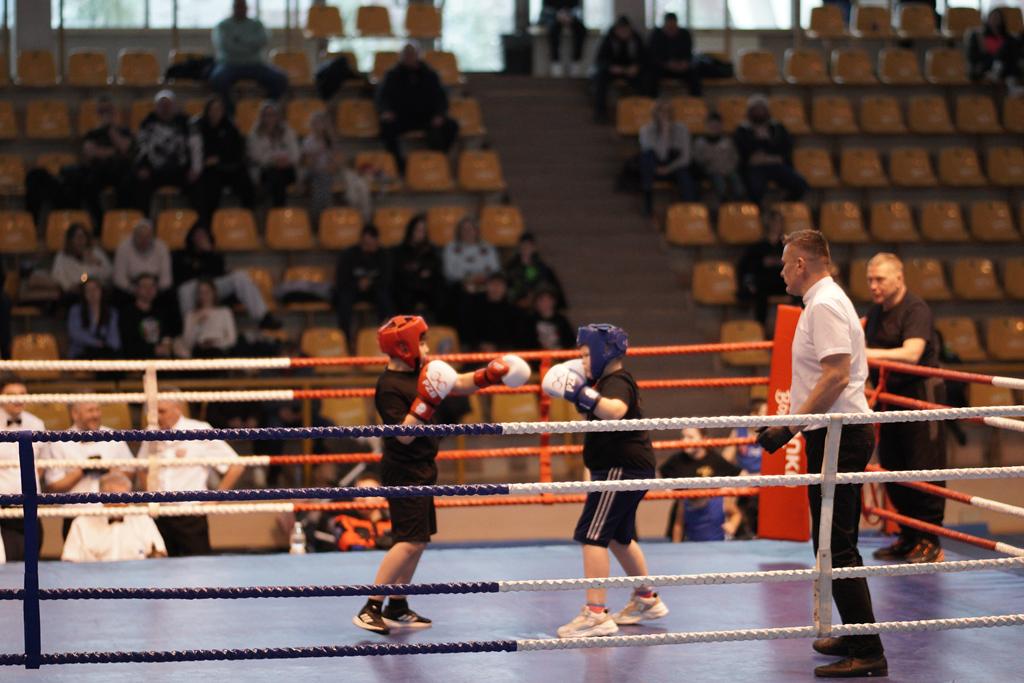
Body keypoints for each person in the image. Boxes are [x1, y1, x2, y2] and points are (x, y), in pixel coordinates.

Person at [756, 230, 886, 678]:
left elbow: (835, 376)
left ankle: (868, 651)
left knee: (836, 545)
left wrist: (789, 426)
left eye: (784, 263)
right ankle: (857, 633)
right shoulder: (823, 301)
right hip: (833, 433)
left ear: (801, 264)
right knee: (832, 542)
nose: (780, 271)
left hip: (838, 434)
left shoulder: (825, 304)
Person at [352, 315, 530, 634]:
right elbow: (403, 435)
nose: (426, 347)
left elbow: (457, 382)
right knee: (407, 541)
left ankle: (397, 605)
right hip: (403, 469)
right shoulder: (388, 386)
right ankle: (371, 607)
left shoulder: (425, 368)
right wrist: (427, 402)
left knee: (418, 541)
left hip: (423, 466)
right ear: (404, 347)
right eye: (421, 341)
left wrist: (491, 374)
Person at [542, 324, 668, 638]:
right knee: (618, 537)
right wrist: (583, 395)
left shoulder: (617, 381)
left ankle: (595, 614)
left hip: (620, 468)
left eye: (586, 354)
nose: (583, 361)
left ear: (603, 352)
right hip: (625, 467)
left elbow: (615, 411)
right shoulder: (605, 383)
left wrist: (580, 392)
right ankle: (646, 599)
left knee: (592, 535)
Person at [864, 253, 946, 564]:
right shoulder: (876, 312)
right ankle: (909, 535)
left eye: (880, 279)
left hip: (920, 398)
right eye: (870, 280)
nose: (874, 286)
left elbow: (912, 353)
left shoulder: (915, 309)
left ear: (899, 278)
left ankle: (929, 539)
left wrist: (865, 354)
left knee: (923, 467)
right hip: (890, 399)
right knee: (894, 467)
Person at [136, 396, 246, 556]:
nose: (157, 416)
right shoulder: (151, 433)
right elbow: (141, 467)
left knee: (198, 568)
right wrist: (151, 498)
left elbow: (236, 465)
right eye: (153, 412)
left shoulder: (198, 430)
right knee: (162, 567)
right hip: (161, 515)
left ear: (177, 409)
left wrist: (214, 500)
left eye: (162, 411)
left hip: (191, 514)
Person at [44, 398, 135, 538]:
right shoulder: (60, 442)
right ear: (75, 414)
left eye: (98, 409)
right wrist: (82, 470)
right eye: (90, 410)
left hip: (110, 513)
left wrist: (108, 470)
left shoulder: (114, 436)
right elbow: (53, 485)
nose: (95, 415)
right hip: (75, 514)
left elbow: (129, 474)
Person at [172, 223, 275, 328]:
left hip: (213, 286)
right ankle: (189, 327)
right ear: (191, 237)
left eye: (203, 235)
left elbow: (219, 273)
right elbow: (180, 278)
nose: (200, 238)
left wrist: (209, 253)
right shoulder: (181, 255)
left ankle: (263, 317)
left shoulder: (215, 255)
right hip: (193, 289)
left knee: (240, 276)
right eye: (197, 235)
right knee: (184, 290)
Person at [375, 44, 459, 171]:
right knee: (386, 126)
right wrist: (385, 111)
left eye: (412, 55)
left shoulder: (430, 75)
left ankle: (437, 158)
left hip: (426, 118)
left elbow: (441, 98)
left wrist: (439, 114)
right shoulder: (392, 75)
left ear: (418, 56)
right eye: (406, 55)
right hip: (401, 117)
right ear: (401, 57)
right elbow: (382, 97)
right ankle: (398, 164)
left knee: (451, 126)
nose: (409, 58)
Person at [61, 471, 167, 562]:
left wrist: (155, 558)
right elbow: (69, 560)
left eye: (124, 499)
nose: (120, 504)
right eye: (115, 500)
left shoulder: (142, 518)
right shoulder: (82, 522)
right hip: (93, 577)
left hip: (136, 576)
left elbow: (160, 553)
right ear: (101, 498)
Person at [660, 427, 742, 542]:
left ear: (703, 438)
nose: (685, 441)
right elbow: (663, 475)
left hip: (712, 509)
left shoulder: (715, 460)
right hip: (686, 508)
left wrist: (728, 492)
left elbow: (735, 475)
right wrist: (673, 490)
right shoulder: (676, 460)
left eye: (690, 437)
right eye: (683, 437)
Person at [0, 376, 49, 561]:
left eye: (22, 393)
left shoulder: (36, 423)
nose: (17, 399)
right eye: (11, 394)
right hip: (3, 508)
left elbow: (43, 463)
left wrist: (27, 483)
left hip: (30, 506)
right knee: (6, 566)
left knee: (33, 563)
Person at [187, 96, 254, 224]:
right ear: (207, 111)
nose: (215, 112)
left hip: (228, 166)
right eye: (213, 109)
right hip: (209, 169)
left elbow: (237, 153)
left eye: (218, 109)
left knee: (245, 183)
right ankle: (208, 223)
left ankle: (248, 219)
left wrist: (219, 159)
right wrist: (207, 161)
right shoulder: (199, 126)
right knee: (209, 187)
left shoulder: (231, 127)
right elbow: (196, 151)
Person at [124, 90, 191, 214]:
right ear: (156, 108)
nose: (165, 109)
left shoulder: (185, 123)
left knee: (199, 183)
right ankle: (143, 219)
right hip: (155, 170)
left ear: (174, 107)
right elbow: (141, 148)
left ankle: (197, 221)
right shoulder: (147, 123)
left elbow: (192, 147)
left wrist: (192, 168)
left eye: (168, 105)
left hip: (180, 169)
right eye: (162, 105)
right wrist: (142, 167)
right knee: (137, 182)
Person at [209, 0, 288, 105]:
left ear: (247, 8)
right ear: (233, 8)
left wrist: (238, 41)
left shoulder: (256, 24)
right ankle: (228, 111)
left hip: (255, 65)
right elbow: (226, 45)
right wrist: (250, 45)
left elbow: (263, 40)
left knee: (280, 79)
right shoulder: (223, 26)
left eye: (243, 7)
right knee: (217, 79)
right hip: (229, 65)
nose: (240, 9)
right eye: (238, 7)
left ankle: (268, 108)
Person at [733, 95, 807, 206]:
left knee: (800, 185)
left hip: (776, 165)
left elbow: (785, 148)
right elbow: (745, 154)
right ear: (750, 111)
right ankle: (759, 211)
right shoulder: (743, 129)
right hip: (754, 168)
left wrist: (768, 141)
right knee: (754, 189)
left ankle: (782, 206)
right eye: (756, 109)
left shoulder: (777, 128)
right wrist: (757, 140)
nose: (759, 112)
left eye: (762, 108)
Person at [73, 95, 134, 227]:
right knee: (86, 185)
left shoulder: (124, 131)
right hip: (98, 171)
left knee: (130, 183)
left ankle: (121, 220)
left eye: (109, 111)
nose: (106, 114)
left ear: (115, 112)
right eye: (102, 111)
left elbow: (125, 148)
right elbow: (90, 153)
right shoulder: (92, 133)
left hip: (120, 171)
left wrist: (111, 130)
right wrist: (113, 152)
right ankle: (100, 223)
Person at [334, 226, 394, 339]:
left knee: (385, 298)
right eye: (366, 244)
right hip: (353, 289)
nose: (368, 247)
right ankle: (345, 339)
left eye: (371, 244)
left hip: (374, 290)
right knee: (344, 299)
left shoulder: (383, 255)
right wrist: (358, 284)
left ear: (377, 241)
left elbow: (386, 279)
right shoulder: (349, 254)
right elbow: (341, 280)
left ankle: (389, 336)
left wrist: (370, 283)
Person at [638, 98, 696, 215]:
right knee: (646, 158)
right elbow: (661, 156)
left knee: (685, 174)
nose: (665, 115)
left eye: (668, 111)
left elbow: (686, 157)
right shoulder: (646, 130)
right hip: (655, 165)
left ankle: (690, 209)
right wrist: (665, 134)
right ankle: (647, 202)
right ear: (655, 113)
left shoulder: (682, 129)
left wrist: (669, 168)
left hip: (674, 165)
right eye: (662, 111)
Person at [737, 208, 789, 328]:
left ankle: (796, 326)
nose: (776, 225)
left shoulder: (787, 246)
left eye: (779, 222)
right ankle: (760, 328)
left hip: (782, 282)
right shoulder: (758, 246)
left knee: (799, 290)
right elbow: (745, 265)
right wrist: (762, 262)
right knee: (760, 291)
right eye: (774, 222)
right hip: (765, 283)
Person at [722, 398, 766, 539]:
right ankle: (732, 530)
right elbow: (725, 460)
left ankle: (760, 532)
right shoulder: (739, 432)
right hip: (743, 479)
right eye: (765, 413)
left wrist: (760, 475)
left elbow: (779, 463)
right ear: (754, 415)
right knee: (724, 489)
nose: (769, 416)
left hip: (765, 478)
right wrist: (739, 473)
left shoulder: (771, 433)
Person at [593, 16, 651, 122]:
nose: (624, 33)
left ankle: (643, 110)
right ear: (616, 30)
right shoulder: (609, 39)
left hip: (631, 72)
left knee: (646, 78)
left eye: (626, 30)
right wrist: (611, 67)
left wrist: (637, 67)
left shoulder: (636, 38)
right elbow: (600, 60)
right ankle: (600, 113)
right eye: (621, 30)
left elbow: (645, 58)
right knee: (600, 77)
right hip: (613, 71)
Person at [247, 100, 300, 207]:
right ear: (262, 117)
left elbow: (295, 153)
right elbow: (256, 155)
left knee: (277, 177)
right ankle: (278, 209)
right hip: (266, 169)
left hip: (287, 168)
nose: (270, 118)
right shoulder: (255, 133)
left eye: (273, 115)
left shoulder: (287, 131)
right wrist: (273, 160)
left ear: (277, 116)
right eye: (267, 115)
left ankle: (266, 203)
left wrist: (286, 161)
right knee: (276, 177)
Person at [391, 213, 444, 319]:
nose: (420, 233)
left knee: (441, 290)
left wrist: (424, 271)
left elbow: (434, 268)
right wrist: (419, 271)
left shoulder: (431, 249)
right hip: (408, 288)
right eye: (418, 230)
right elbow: (401, 270)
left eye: (423, 230)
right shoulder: (401, 250)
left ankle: (440, 325)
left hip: (427, 288)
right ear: (411, 230)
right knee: (400, 291)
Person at [118, 274, 179, 359]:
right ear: (136, 289)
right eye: (144, 286)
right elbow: (128, 344)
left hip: (160, 361)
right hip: (136, 361)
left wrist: (167, 345)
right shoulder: (127, 314)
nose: (149, 289)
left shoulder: (161, 312)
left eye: (152, 285)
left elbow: (167, 335)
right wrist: (153, 350)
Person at [174, 278, 237, 359]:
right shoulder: (191, 315)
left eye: (207, 292)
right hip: (198, 351)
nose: (204, 296)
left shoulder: (224, 312)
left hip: (219, 351)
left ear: (214, 292)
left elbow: (232, 339)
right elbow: (187, 343)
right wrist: (196, 324)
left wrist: (215, 343)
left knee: (216, 353)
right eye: (201, 293)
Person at [301, 110, 344, 227]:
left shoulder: (331, 141)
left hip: (328, 173)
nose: (318, 126)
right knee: (322, 180)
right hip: (312, 172)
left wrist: (330, 166)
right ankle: (321, 219)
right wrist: (316, 157)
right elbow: (308, 164)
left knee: (324, 181)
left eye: (321, 123)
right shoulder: (308, 141)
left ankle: (322, 219)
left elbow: (338, 161)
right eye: (315, 123)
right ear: (312, 125)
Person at [693, 112, 744, 209]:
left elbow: (735, 157)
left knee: (739, 187)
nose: (714, 128)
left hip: (728, 170)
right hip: (712, 171)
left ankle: (736, 208)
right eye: (711, 126)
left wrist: (728, 168)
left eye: (717, 126)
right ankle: (724, 209)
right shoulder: (700, 142)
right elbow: (698, 160)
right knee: (721, 185)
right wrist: (711, 162)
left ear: (721, 126)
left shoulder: (728, 141)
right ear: (706, 126)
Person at [112, 219, 173, 298]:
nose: (144, 240)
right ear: (134, 236)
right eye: (140, 236)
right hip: (131, 289)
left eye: (147, 236)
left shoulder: (161, 247)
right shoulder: (123, 248)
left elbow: (166, 279)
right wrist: (135, 290)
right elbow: (119, 278)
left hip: (156, 289)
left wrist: (153, 291)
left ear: (152, 236)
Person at [51, 223, 113, 299]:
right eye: (77, 237)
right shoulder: (62, 257)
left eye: (82, 237)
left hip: (96, 293)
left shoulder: (96, 252)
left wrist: (97, 262)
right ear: (70, 240)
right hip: (72, 295)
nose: (80, 241)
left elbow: (109, 274)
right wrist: (70, 287)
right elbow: (58, 277)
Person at [504, 232, 566, 309]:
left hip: (537, 307)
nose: (526, 248)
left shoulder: (543, 268)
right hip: (516, 306)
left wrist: (534, 297)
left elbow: (549, 287)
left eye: (529, 245)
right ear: (519, 247)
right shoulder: (511, 267)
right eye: (523, 245)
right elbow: (506, 287)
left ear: (534, 248)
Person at [334, 474, 393, 552]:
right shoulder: (345, 520)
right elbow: (349, 545)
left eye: (367, 492)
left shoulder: (394, 522)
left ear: (381, 496)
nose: (361, 498)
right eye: (357, 493)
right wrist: (379, 543)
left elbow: (402, 546)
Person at [966, 8, 1022, 88]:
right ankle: (996, 72)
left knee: (1011, 50)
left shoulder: (1008, 38)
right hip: (987, 63)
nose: (995, 20)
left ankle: (1003, 76)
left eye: (997, 18)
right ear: (988, 19)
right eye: (993, 17)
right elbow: (974, 56)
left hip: (1004, 65)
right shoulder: (979, 36)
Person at [467, 273, 523, 351]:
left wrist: (497, 347)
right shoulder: (474, 305)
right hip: (476, 349)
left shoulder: (513, 310)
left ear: (505, 288)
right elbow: (468, 328)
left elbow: (515, 335)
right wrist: (480, 344)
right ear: (487, 286)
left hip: (503, 350)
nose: (496, 288)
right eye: (493, 284)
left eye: (499, 285)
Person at [648, 12, 701, 96]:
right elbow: (653, 56)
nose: (671, 29)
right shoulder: (657, 35)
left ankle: (696, 100)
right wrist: (666, 64)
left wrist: (684, 63)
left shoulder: (684, 34)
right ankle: (651, 100)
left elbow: (688, 54)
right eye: (669, 27)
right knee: (651, 74)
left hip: (681, 68)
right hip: (663, 68)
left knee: (694, 74)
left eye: (673, 27)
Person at [67, 279, 121, 360]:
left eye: (95, 289)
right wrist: (96, 343)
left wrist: (105, 347)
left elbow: (115, 340)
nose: (92, 293)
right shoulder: (76, 310)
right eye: (88, 290)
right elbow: (75, 334)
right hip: (81, 353)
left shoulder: (112, 312)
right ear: (84, 294)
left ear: (101, 291)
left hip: (104, 354)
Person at [540, 0, 586, 77]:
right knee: (553, 30)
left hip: (570, 17)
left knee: (581, 29)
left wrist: (570, 15)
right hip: (553, 17)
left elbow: (577, 7)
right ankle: (555, 62)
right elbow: (546, 8)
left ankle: (576, 62)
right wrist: (558, 14)